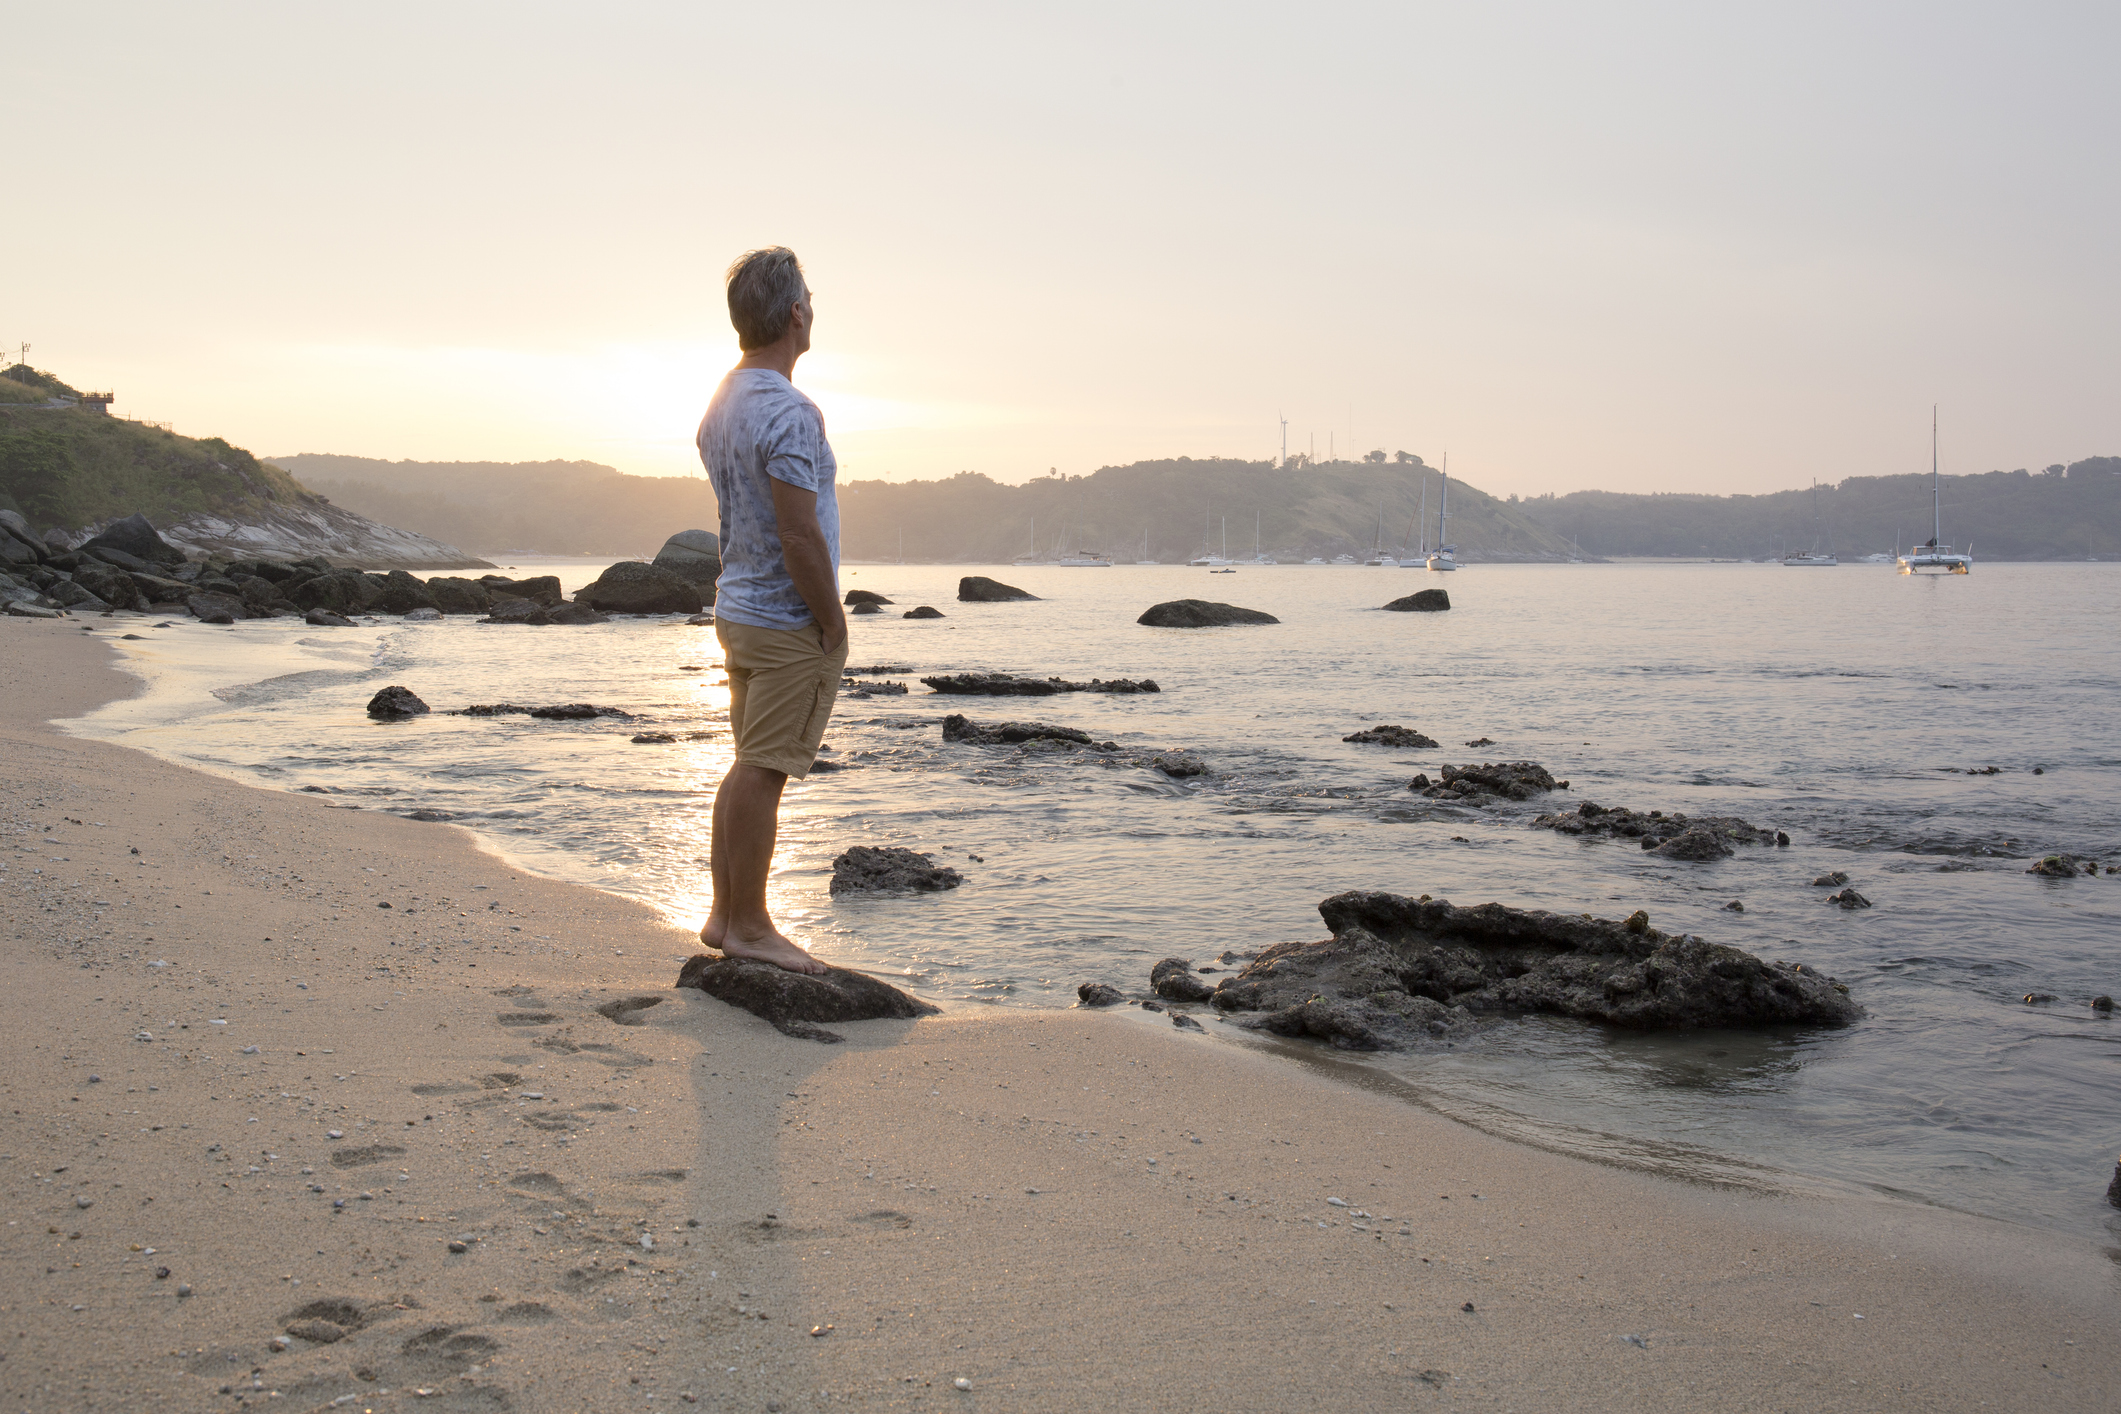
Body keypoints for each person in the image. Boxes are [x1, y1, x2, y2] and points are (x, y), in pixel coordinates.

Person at [695, 247, 848, 975]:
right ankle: (751, 924)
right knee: (764, 770)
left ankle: (727, 914)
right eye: (808, 300)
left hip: (738, 606)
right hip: (785, 617)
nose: (811, 311)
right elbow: (798, 531)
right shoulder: (789, 412)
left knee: (746, 765)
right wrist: (832, 621)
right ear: (794, 313)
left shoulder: (723, 402)